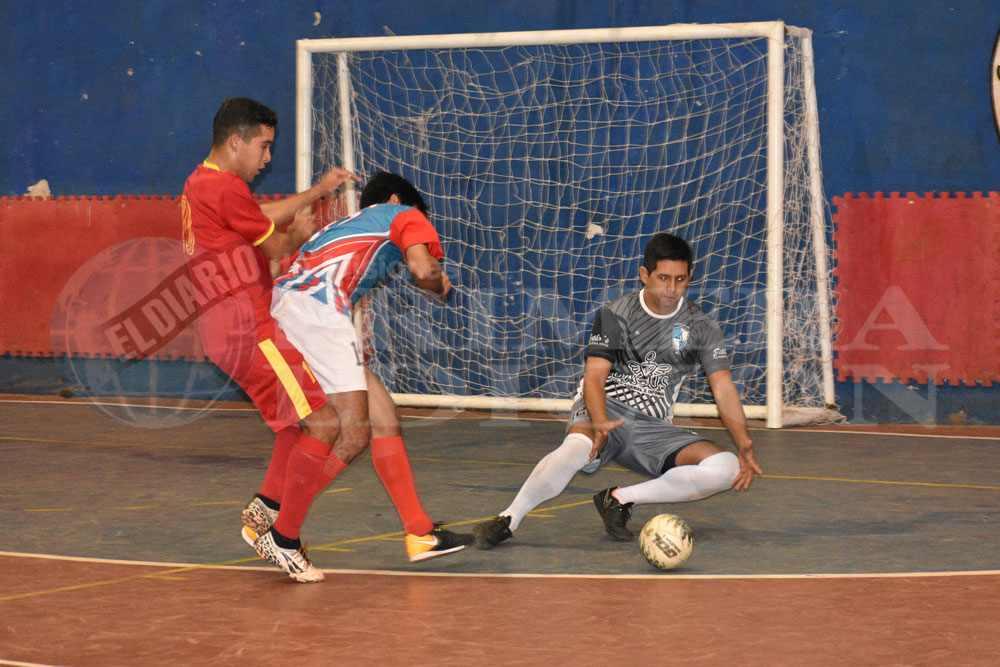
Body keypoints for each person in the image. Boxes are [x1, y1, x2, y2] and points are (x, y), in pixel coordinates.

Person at [241, 171, 474, 575]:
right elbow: (423, 269)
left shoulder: (344, 226)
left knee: (382, 417)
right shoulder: (402, 214)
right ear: (399, 199)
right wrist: (441, 285)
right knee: (350, 431)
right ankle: (280, 530)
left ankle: (419, 532)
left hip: (293, 309)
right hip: (318, 314)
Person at [474, 232, 762, 548]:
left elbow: (722, 387)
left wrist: (744, 441)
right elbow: (594, 377)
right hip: (605, 406)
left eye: (680, 279)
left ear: (690, 276)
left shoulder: (701, 326)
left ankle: (619, 498)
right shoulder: (617, 314)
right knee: (574, 449)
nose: (671, 288)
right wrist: (598, 423)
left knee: (725, 468)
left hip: (652, 428)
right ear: (644, 274)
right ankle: (509, 518)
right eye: (663, 278)